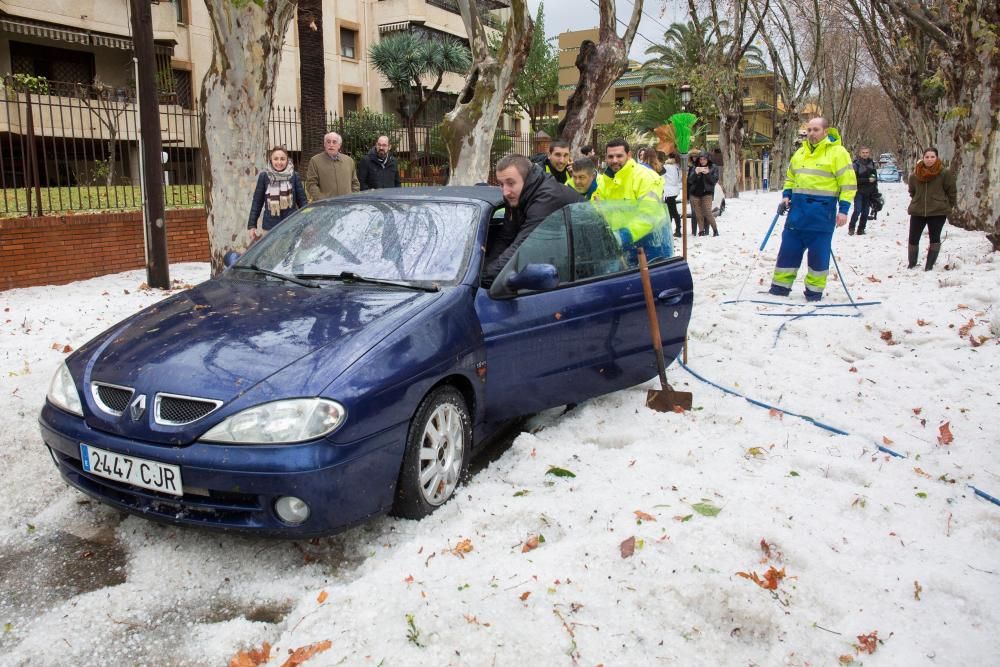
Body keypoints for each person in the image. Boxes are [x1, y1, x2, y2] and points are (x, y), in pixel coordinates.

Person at [769, 117, 856, 301]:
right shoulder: (800, 153)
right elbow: (790, 178)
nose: (811, 134)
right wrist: (786, 196)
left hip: (822, 215)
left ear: (825, 131)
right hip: (797, 215)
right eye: (809, 130)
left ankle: (814, 293)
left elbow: (847, 184)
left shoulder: (838, 153)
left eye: (815, 130)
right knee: (788, 252)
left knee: (818, 256)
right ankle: (779, 289)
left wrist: (844, 210)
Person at [484, 154, 582, 285]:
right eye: (501, 184)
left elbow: (522, 247)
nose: (505, 191)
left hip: (590, 262)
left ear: (527, 178)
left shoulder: (547, 197)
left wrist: (484, 279)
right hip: (563, 250)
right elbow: (506, 237)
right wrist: (486, 268)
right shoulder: (515, 195)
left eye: (510, 183)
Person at [906, 147, 956, 270]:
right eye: (927, 157)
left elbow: (951, 191)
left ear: (937, 158)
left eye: (932, 157)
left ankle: (929, 265)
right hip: (918, 211)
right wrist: (918, 200)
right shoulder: (915, 174)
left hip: (938, 211)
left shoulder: (944, 173)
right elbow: (912, 191)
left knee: (934, 238)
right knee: (913, 238)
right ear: (923, 158)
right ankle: (912, 264)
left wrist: (946, 205)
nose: (929, 159)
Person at [247, 146, 307, 242]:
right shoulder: (264, 176)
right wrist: (252, 225)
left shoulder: (294, 176)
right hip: (270, 226)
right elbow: (257, 202)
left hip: (291, 223)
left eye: (282, 159)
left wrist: (308, 222)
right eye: (276, 159)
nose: (279, 162)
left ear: (287, 160)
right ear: (271, 160)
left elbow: (303, 201)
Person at [595, 138, 663, 202]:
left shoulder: (645, 177)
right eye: (610, 156)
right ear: (606, 157)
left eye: (619, 156)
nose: (614, 160)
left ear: (629, 155)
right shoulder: (604, 180)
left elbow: (650, 212)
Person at [305, 132, 360, 201]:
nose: (331, 145)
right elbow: (311, 184)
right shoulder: (315, 161)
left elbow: (355, 183)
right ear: (325, 144)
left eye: (334, 142)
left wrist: (352, 197)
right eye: (328, 142)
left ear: (339, 145)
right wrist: (322, 199)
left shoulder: (349, 161)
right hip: (325, 206)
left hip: (346, 204)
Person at [848, 146, 879, 236]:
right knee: (857, 210)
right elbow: (853, 180)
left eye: (866, 152)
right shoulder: (855, 165)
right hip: (859, 191)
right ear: (860, 153)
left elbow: (874, 177)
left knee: (866, 212)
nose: (865, 154)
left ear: (869, 153)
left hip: (869, 192)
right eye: (863, 152)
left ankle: (861, 229)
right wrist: (867, 180)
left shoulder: (872, 163)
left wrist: (875, 188)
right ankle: (851, 227)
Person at [688, 154, 719, 236]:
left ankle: (715, 230)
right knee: (698, 213)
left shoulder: (713, 167)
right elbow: (690, 180)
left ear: (708, 159)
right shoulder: (695, 167)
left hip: (707, 193)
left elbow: (713, 181)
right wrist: (695, 172)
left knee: (707, 212)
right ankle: (701, 231)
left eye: (704, 159)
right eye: (701, 159)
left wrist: (708, 173)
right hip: (695, 193)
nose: (702, 161)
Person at [662, 152, 682, 237]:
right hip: (675, 190)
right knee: (672, 211)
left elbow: (662, 177)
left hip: (668, 191)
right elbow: (679, 179)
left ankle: (675, 230)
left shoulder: (666, 167)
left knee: (672, 212)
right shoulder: (677, 167)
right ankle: (676, 229)